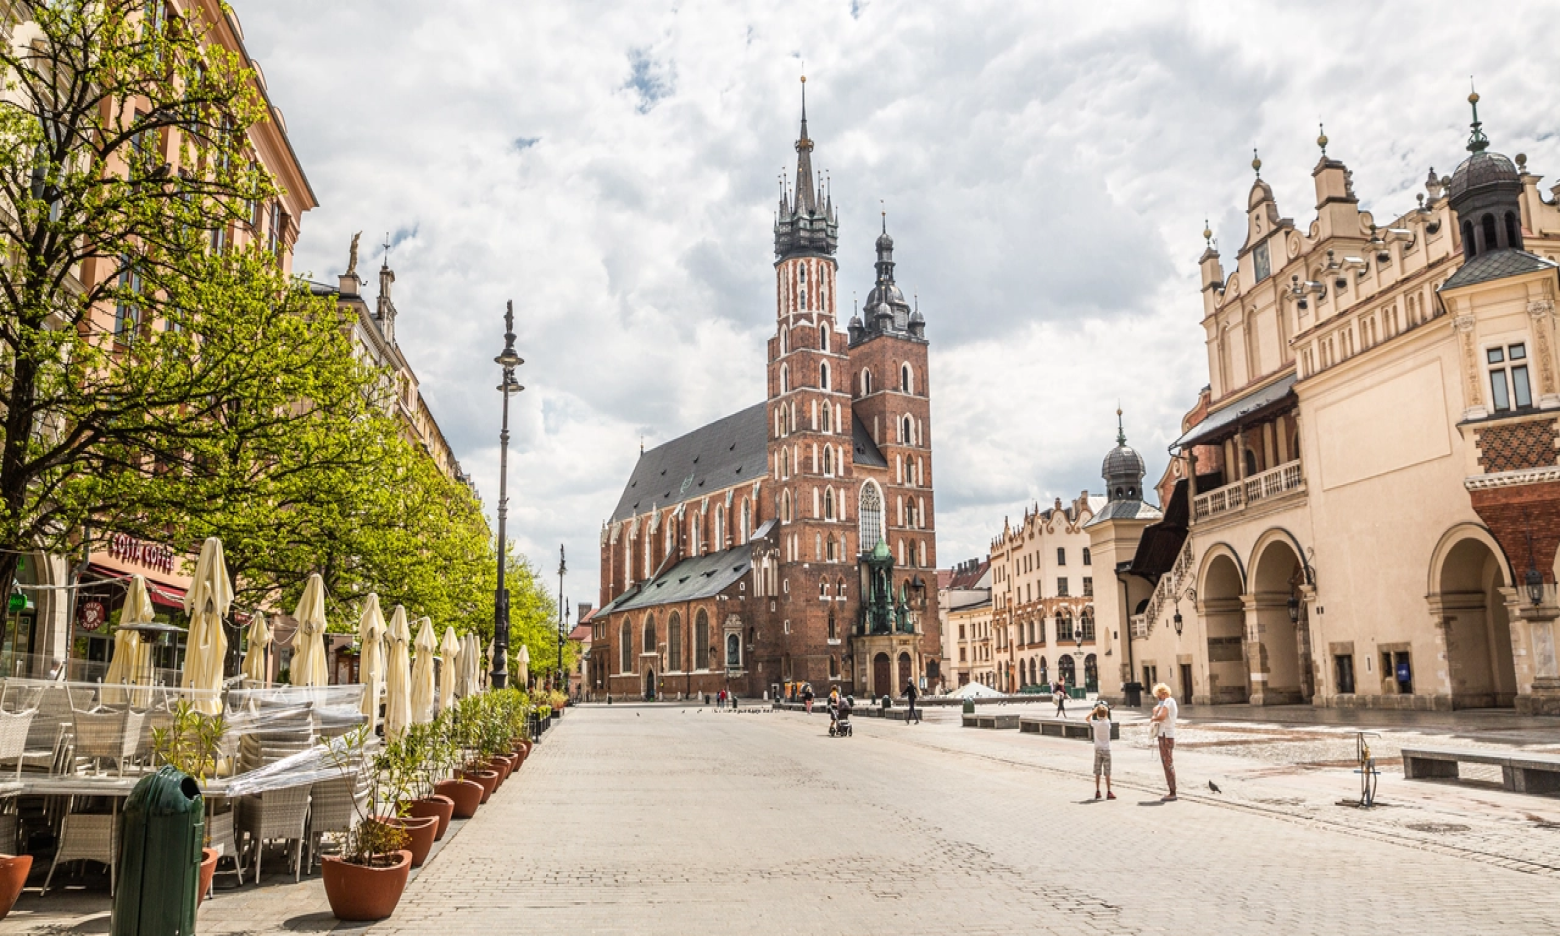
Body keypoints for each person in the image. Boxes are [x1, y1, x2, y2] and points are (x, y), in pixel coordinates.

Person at [1151, 682, 1178, 801]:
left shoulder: (1168, 701)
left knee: (1168, 763)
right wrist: (1156, 711)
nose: (1158, 698)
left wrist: (1154, 718)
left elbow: (1162, 716)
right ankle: (1171, 790)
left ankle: (1173, 792)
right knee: (1166, 763)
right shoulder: (1167, 702)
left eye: (1159, 696)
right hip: (1164, 735)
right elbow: (1159, 712)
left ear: (1164, 693)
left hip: (1166, 736)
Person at [1088, 702, 1114, 800]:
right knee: (1107, 772)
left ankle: (1098, 791)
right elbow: (1106, 717)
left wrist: (1093, 712)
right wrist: (1104, 712)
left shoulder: (1096, 723)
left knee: (1097, 772)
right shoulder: (1107, 723)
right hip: (1107, 750)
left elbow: (1086, 719)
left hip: (1097, 750)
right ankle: (1109, 791)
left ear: (1097, 714)